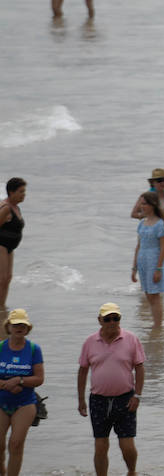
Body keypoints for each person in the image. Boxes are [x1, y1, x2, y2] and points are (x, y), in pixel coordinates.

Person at [77, 303, 145, 476]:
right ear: (100, 320)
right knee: (100, 445)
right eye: (107, 319)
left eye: (116, 318)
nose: (112, 322)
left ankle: (132, 471)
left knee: (127, 445)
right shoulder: (90, 342)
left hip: (125, 398)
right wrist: (81, 400)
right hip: (98, 400)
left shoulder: (131, 339)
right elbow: (83, 370)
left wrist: (137, 395)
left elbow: (140, 367)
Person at [0, 308, 42, 474]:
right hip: (1, 402)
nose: (19, 328)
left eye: (23, 325)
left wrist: (20, 381)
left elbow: (39, 379)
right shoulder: (1, 348)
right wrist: (6, 384)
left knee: (15, 444)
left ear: (27, 328)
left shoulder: (34, 349)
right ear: (8, 326)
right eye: (16, 324)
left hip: (24, 404)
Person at [131, 192, 164, 326]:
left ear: (152, 205)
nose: (142, 207)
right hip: (143, 261)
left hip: (154, 261)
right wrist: (134, 267)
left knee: (155, 295)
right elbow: (138, 245)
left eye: (144, 204)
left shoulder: (161, 224)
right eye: (141, 204)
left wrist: (159, 268)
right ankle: (155, 323)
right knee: (148, 294)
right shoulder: (142, 223)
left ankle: (158, 325)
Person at [0, 178, 25, 309]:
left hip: (10, 247)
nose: (23, 194)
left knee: (8, 278)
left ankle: (2, 306)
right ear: (11, 192)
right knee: (2, 278)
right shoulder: (5, 208)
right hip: (1, 245)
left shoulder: (16, 208)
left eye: (24, 191)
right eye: (20, 191)